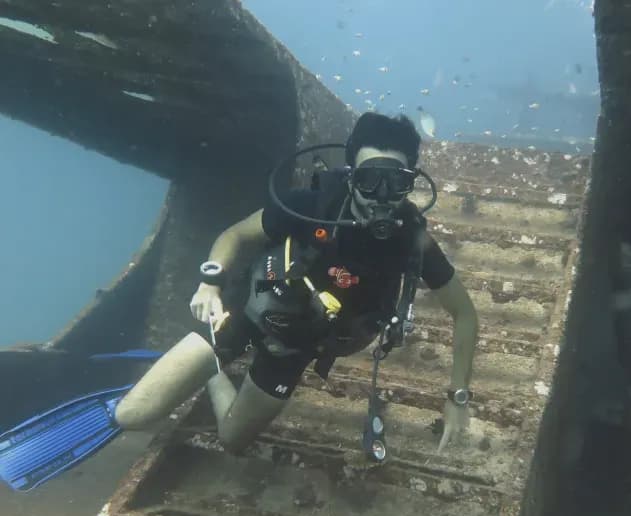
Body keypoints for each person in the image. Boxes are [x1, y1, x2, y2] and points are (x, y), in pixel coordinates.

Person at [0, 113, 478, 492]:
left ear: (412, 182)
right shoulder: (309, 206)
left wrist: (457, 397)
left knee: (231, 440)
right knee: (134, 415)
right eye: (372, 179)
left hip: (298, 346)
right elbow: (234, 235)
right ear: (351, 175)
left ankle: (213, 375)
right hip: (243, 309)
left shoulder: (411, 240)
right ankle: (202, 364)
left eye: (397, 182)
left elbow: (465, 313)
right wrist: (210, 283)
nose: (383, 196)